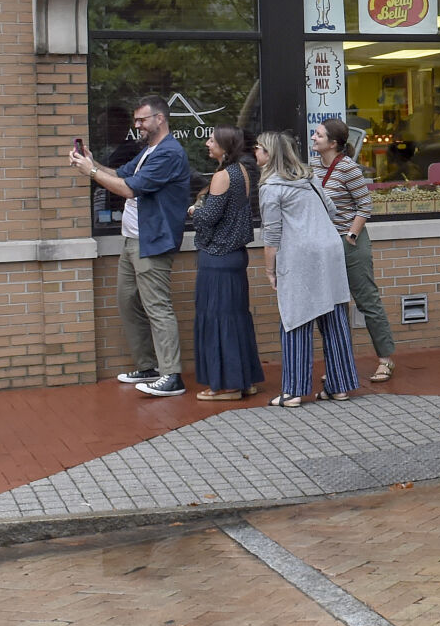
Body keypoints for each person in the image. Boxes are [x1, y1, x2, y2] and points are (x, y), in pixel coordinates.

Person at [70, 94, 192, 398]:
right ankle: (148, 366)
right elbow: (120, 174)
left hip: (152, 241)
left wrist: (91, 172)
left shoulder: (169, 153)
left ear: (159, 119)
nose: (136, 125)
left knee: (157, 308)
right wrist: (92, 162)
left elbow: (128, 189)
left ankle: (172, 375)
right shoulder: (149, 151)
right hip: (132, 239)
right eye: (136, 120)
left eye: (142, 120)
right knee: (128, 302)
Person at [256, 131, 359, 407]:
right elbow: (332, 210)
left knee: (295, 319)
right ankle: (339, 386)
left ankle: (293, 391)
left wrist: (270, 270)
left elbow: (272, 235)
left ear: (269, 154)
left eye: (259, 148)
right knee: (334, 318)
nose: (255, 152)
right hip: (330, 250)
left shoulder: (271, 188)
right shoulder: (309, 178)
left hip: (300, 256)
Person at [311, 117, 397, 383]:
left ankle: (385, 359)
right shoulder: (313, 166)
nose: (313, 138)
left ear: (333, 143)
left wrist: (351, 235)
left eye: (319, 135)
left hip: (350, 242)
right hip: (325, 243)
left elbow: (365, 205)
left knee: (367, 301)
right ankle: (339, 364)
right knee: (332, 306)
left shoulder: (348, 168)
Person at [187, 126, 264, 401]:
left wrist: (194, 210)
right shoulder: (242, 171)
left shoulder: (222, 175)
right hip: (236, 256)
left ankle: (227, 386)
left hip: (218, 257)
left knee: (217, 320)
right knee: (236, 318)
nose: (207, 144)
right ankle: (245, 381)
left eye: (212, 140)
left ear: (224, 146)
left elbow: (209, 217)